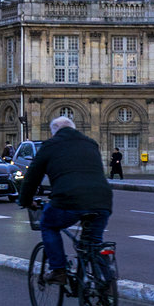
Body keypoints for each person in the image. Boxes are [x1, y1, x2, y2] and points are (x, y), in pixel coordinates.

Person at [17, 115, 113, 287]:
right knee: (94, 242)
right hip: (102, 200)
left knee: (48, 225)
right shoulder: (91, 143)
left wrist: (25, 200)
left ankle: (58, 270)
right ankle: (106, 285)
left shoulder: (50, 146)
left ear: (54, 132)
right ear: (74, 128)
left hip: (68, 199)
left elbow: (32, 178)